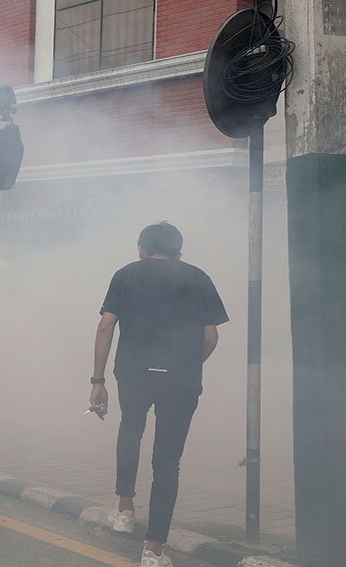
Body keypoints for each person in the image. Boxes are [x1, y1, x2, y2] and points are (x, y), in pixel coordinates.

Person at [90, 222, 228, 567]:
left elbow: (106, 326)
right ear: (179, 252)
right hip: (179, 381)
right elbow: (210, 338)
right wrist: (186, 364)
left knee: (130, 431)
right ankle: (153, 549)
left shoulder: (125, 275)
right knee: (167, 461)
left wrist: (97, 379)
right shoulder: (198, 277)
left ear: (141, 248)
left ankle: (124, 510)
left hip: (134, 375)